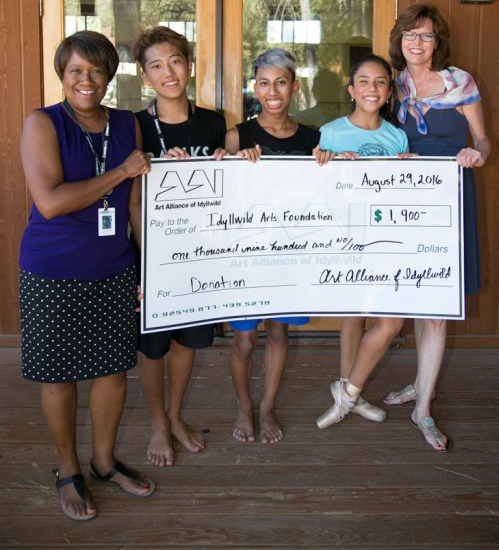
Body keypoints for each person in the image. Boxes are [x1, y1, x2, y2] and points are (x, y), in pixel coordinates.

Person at [19, 31, 155, 523]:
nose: (87, 80)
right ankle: (66, 469)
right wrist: (120, 172)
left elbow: (136, 203)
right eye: (77, 70)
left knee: (112, 373)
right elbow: (51, 202)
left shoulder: (126, 124)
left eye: (97, 70)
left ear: (109, 75)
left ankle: (102, 461)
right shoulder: (43, 123)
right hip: (52, 269)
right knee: (59, 377)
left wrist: (150, 261)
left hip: (113, 266)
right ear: (63, 73)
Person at [382, 3, 491, 451]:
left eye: (426, 35)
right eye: (410, 33)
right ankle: (420, 382)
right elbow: (376, 138)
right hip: (406, 204)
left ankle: (421, 406)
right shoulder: (391, 86)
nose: (417, 42)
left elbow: (484, 138)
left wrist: (477, 153)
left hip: (449, 200)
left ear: (437, 41)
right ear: (400, 40)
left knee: (438, 308)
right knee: (411, 296)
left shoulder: (459, 82)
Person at [132, 26, 226, 467]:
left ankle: (174, 416)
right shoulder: (134, 125)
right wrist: (146, 263)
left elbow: (229, 189)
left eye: (175, 61)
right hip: (153, 255)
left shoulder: (214, 121)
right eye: (156, 65)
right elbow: (133, 199)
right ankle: (156, 423)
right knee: (154, 345)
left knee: (189, 340)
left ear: (189, 65)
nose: (168, 72)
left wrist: (231, 163)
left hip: (202, 253)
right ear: (145, 76)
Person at [225, 48, 319, 443]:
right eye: (264, 83)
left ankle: (266, 409)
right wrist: (234, 163)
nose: (273, 90)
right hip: (247, 253)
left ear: (295, 87)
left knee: (279, 333)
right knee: (245, 340)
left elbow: (324, 196)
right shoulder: (238, 135)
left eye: (281, 82)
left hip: (290, 254)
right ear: (254, 88)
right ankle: (244, 407)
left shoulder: (314, 138)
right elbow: (222, 199)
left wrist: (328, 164)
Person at [315, 54, 413, 430]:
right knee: (353, 314)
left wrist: (410, 171)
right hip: (346, 238)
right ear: (352, 90)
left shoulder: (396, 135)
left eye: (381, 83)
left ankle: (348, 393)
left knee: (390, 320)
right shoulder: (331, 132)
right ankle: (349, 392)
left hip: (387, 240)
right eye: (365, 82)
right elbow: (318, 191)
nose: (373, 89)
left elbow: (404, 195)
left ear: (389, 92)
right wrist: (329, 162)